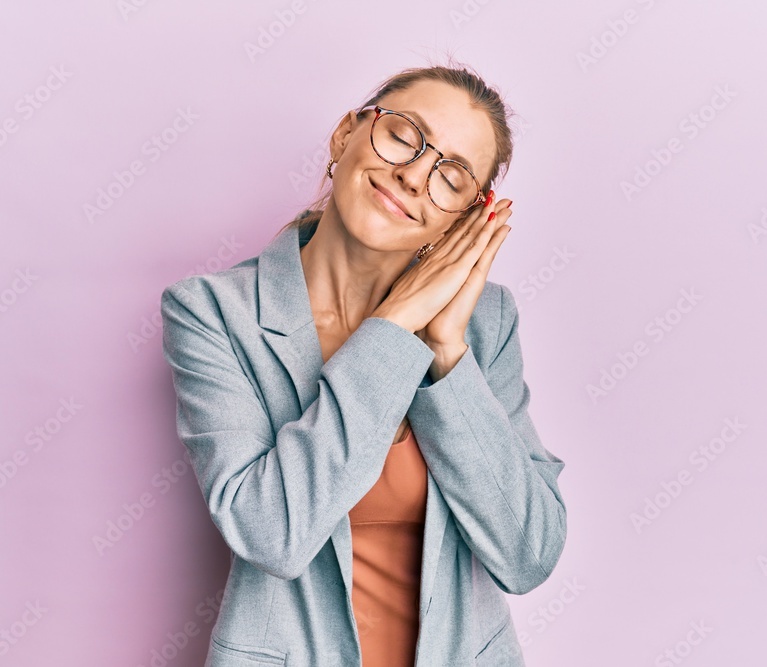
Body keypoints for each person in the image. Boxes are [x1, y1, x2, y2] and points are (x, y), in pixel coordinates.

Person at [160, 63, 567, 667]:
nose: (411, 176)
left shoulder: (486, 322)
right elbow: (271, 531)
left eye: (450, 176)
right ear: (346, 133)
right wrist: (393, 329)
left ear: (466, 217)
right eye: (404, 135)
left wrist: (446, 353)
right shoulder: (213, 313)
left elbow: (527, 553)